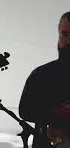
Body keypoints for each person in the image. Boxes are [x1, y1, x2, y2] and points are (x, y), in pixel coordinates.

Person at [19, 12, 70, 147]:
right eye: (65, 35)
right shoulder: (41, 74)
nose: (69, 41)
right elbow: (25, 111)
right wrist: (58, 112)